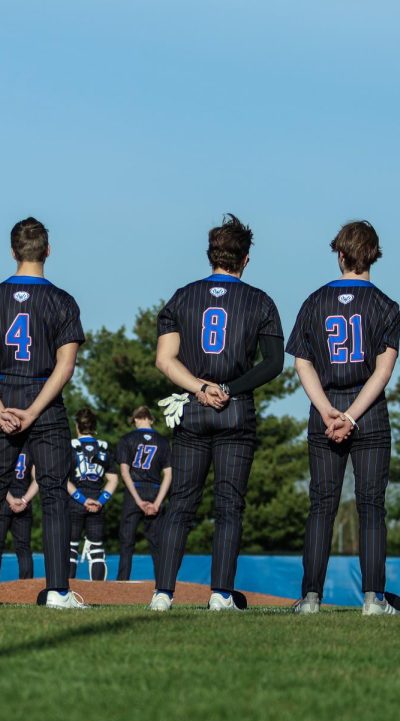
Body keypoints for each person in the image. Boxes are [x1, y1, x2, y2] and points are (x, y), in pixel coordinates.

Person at [148, 214, 284, 612]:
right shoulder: (259, 300)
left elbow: (164, 359)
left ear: (211, 255)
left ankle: (163, 593)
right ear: (245, 258)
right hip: (235, 409)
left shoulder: (183, 296)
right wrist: (226, 388)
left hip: (192, 408)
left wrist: (200, 388)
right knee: (228, 506)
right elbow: (273, 363)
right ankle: (221, 594)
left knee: (181, 504)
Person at [0, 217, 86, 609]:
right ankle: (58, 592)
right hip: (42, 399)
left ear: (13, 252)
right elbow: (65, 367)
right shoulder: (62, 301)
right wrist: (32, 410)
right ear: (48, 250)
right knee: (53, 496)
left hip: (1, 396)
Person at [287, 221, 400, 616]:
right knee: (371, 506)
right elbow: (382, 372)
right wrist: (351, 416)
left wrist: (326, 411)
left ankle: (311, 599)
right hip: (368, 413)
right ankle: (373, 599)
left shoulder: (314, 301)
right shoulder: (387, 306)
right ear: (374, 254)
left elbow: (302, 364)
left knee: (321, 506)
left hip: (326, 407)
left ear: (340, 254)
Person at [113, 406, 170, 581]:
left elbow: (124, 472)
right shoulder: (163, 441)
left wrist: (138, 500)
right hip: (154, 489)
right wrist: (157, 503)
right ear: (151, 420)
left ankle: (123, 582)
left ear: (136, 419)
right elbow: (169, 474)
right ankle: (163, 584)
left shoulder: (127, 439)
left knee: (127, 541)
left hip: (134, 489)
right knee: (156, 543)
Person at [66, 408, 117, 581]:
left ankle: (66, 591)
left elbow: (64, 480)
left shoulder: (69, 446)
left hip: (75, 502)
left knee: (71, 547)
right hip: (97, 502)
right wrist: (100, 501)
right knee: (96, 549)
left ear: (77, 426)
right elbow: (113, 480)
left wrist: (82, 499)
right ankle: (99, 594)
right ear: (94, 427)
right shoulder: (104, 447)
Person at [0, 449, 36, 584]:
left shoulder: (4, 447)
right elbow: (37, 480)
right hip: (24, 500)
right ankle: (27, 587)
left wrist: (11, 499)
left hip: (3, 501)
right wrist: (24, 500)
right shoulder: (31, 448)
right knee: (23, 547)